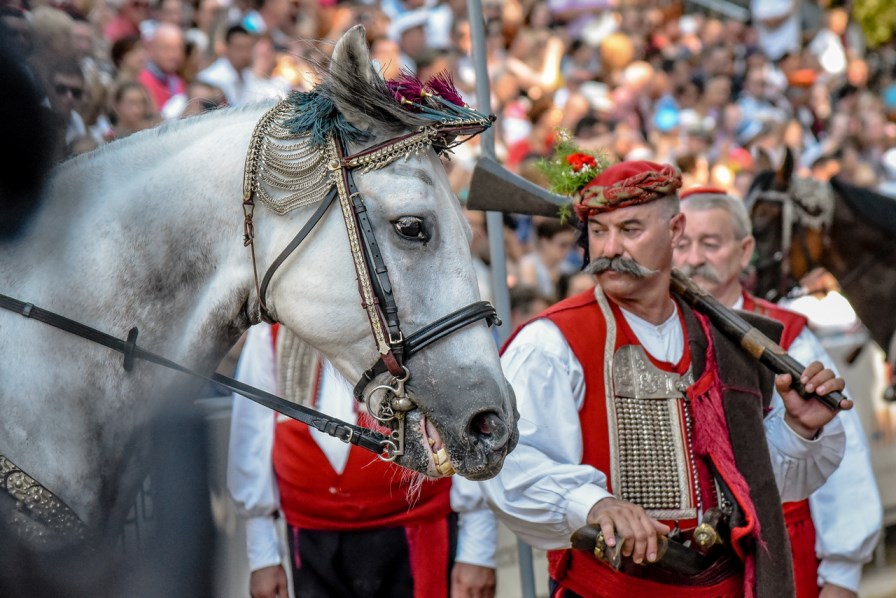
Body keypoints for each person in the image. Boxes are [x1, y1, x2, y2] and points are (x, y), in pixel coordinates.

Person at [479, 157, 851, 597]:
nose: (610, 248)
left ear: (674, 230)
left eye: (630, 230)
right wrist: (593, 503)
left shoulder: (721, 339)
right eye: (599, 232)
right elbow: (510, 462)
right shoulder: (552, 342)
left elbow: (757, 483)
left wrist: (799, 429)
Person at [673, 186, 882, 598]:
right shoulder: (652, 331)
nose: (693, 258)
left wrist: (842, 574)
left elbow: (844, 455)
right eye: (682, 244)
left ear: (745, 249)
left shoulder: (788, 333)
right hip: (684, 563)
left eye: (710, 243)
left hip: (781, 546)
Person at [228, 323, 498, 598]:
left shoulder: (412, 313)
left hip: (413, 532)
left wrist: (478, 551)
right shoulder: (271, 328)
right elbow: (252, 434)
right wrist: (262, 557)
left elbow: (462, 426)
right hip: (311, 540)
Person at [196, 25, 255, 106]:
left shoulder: (249, 75)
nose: (244, 54)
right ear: (226, 47)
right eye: (239, 48)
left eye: (247, 48)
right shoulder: (211, 78)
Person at [136, 22, 185, 115]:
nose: (174, 55)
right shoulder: (142, 81)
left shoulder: (176, 78)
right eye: (167, 48)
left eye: (178, 48)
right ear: (151, 49)